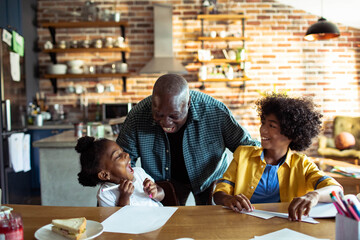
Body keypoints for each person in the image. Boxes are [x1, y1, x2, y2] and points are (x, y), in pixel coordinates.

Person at [116, 73, 259, 205]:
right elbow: (121, 161)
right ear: (153, 102)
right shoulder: (137, 116)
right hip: (164, 182)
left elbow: (246, 147)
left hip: (210, 178)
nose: (166, 123)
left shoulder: (214, 112)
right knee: (170, 224)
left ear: (188, 103)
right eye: (158, 114)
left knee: (212, 223)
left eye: (174, 116)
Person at [213, 93, 343, 221]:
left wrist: (314, 195)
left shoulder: (302, 164)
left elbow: (337, 190)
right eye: (263, 123)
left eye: (271, 125)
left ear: (291, 133)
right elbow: (219, 192)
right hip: (241, 223)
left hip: (286, 226)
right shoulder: (243, 155)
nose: (262, 130)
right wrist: (227, 199)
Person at [75, 136, 164, 207]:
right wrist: (124, 197)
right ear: (105, 174)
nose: (126, 154)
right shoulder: (105, 194)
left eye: (122, 151)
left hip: (159, 222)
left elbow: (161, 194)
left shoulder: (139, 173)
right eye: (118, 156)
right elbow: (117, 222)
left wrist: (155, 193)